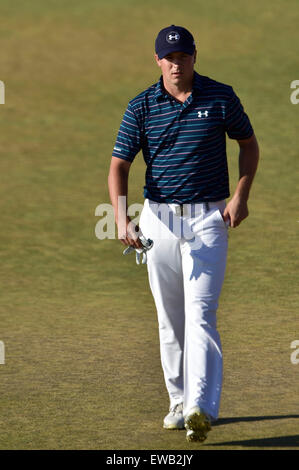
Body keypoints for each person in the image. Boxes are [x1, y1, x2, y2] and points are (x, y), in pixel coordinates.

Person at [108, 25, 259, 442]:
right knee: (169, 319)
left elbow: (248, 144)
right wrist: (122, 219)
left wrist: (239, 196)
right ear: (157, 61)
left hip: (209, 218)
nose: (177, 65)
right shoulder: (141, 106)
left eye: (184, 57)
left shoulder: (220, 97)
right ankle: (178, 401)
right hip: (159, 220)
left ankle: (200, 408)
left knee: (201, 314)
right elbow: (119, 165)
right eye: (169, 58)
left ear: (195, 56)